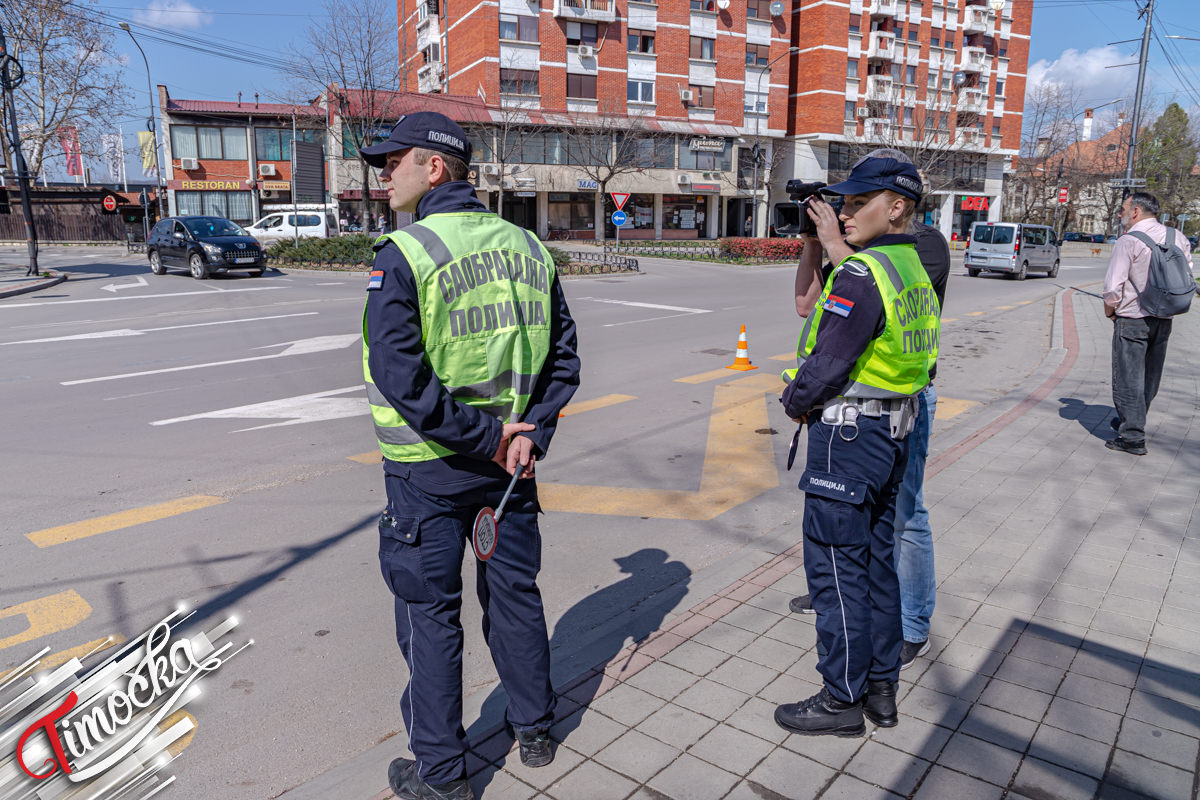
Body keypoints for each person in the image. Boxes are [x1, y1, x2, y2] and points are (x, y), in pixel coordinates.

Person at [360, 111, 580, 800]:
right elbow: (564, 360)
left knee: (431, 619)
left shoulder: (406, 253)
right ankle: (535, 730)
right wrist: (529, 434)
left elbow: (402, 379)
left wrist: (492, 439)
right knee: (515, 597)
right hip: (510, 469)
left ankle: (442, 777)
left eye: (392, 161)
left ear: (433, 167)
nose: (383, 174)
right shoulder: (529, 248)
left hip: (429, 471)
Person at [774, 156, 939, 737]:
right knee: (875, 564)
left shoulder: (863, 274)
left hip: (848, 438)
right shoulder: (909, 266)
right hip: (891, 432)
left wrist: (795, 399)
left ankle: (841, 698)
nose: (844, 213)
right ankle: (880, 688)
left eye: (857, 203)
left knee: (836, 570)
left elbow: (829, 362)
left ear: (896, 207)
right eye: (842, 203)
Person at [1103, 191, 1192, 455]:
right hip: (1164, 318)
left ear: (1135, 211)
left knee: (1128, 377)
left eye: (1123, 209)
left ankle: (1132, 437)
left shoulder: (1129, 241)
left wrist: (1110, 312)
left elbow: (1113, 287)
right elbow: (1187, 275)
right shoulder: (1178, 237)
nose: (1120, 214)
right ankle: (1132, 419)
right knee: (1150, 376)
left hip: (1132, 318)